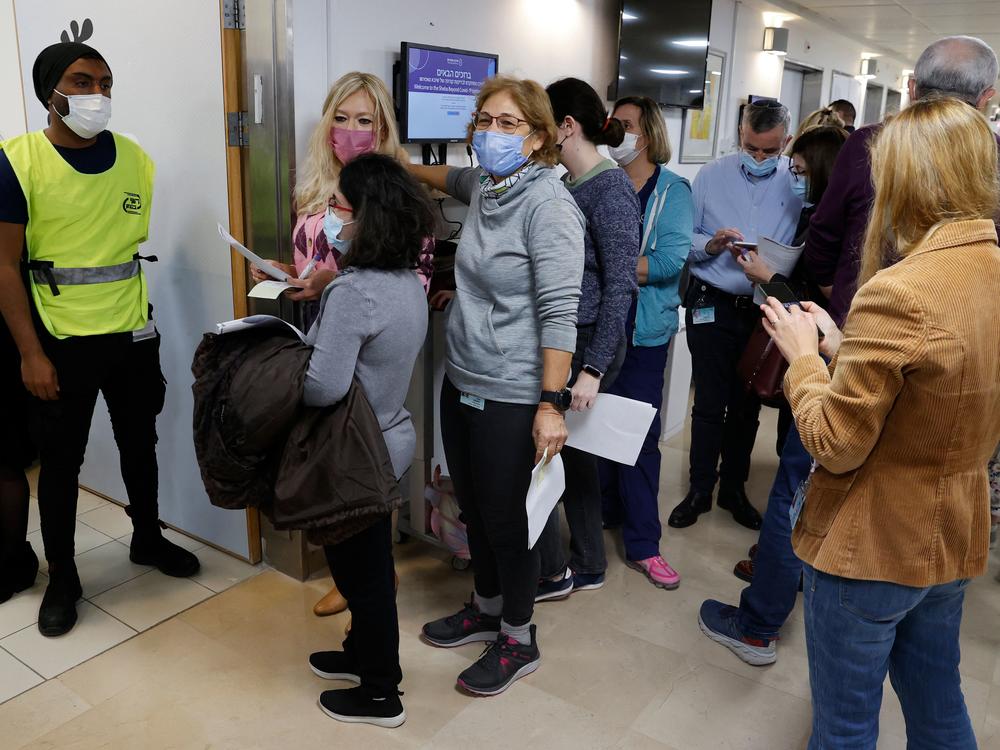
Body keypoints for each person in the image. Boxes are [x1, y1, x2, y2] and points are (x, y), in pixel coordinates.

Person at [763, 95, 1000, 750]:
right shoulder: (988, 267)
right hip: (949, 534)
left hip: (874, 544)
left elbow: (835, 444)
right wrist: (848, 348)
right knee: (936, 697)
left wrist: (805, 360)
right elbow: (940, 383)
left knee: (843, 725)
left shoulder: (901, 289)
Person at [0, 42, 199, 637]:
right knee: (61, 465)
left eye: (105, 83)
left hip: (132, 332)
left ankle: (147, 537)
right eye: (82, 82)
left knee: (142, 445)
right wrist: (30, 353)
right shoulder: (19, 161)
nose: (97, 95)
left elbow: (121, 253)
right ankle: (63, 576)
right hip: (59, 341)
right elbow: (5, 266)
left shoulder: (136, 159)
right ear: (50, 92)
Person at [406, 75, 584, 696]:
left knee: (508, 521)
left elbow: (561, 312)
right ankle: (484, 609)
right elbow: (449, 179)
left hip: (514, 391)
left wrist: (550, 404)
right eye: (484, 121)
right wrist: (393, 161)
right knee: (476, 509)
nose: (491, 133)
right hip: (464, 377)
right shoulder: (488, 185)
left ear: (538, 138)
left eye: (509, 123)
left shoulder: (550, 206)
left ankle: (518, 635)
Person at [251, 71, 425, 619]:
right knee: (329, 462)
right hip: (321, 331)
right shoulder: (317, 189)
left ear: (383, 128)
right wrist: (292, 272)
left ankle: (371, 578)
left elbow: (406, 286)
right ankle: (358, 574)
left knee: (364, 458)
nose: (350, 131)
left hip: (367, 346)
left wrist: (336, 283)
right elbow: (315, 259)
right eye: (341, 119)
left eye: (364, 121)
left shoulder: (395, 194)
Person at [697, 125, 848, 666]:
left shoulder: (838, 233)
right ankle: (793, 571)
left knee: (791, 492)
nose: (790, 177)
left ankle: (758, 625)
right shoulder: (709, 179)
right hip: (726, 316)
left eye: (798, 169)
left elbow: (815, 317)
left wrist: (766, 277)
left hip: (822, 373)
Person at [302, 153, 434, 729]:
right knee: (368, 562)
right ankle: (359, 657)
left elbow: (323, 388)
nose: (333, 216)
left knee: (365, 576)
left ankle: (382, 693)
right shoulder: (405, 281)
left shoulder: (355, 292)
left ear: (367, 219)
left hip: (355, 450)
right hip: (389, 435)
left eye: (340, 207)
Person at [668, 100, 801, 531]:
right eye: (752, 148)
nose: (760, 158)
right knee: (708, 402)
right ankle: (700, 488)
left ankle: (733, 489)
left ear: (785, 141)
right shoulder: (711, 175)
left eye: (769, 151)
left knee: (747, 407)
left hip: (764, 308)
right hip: (712, 302)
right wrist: (711, 244)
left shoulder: (795, 182)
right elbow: (683, 237)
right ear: (740, 134)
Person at [807, 36, 999, 329]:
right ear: (986, 98)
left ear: (912, 87)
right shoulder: (995, 153)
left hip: (861, 320)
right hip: (960, 328)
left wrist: (840, 293)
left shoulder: (868, 142)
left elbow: (825, 230)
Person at [533, 77, 640, 601]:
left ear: (566, 127)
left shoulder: (610, 187)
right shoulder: (569, 183)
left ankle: (585, 563)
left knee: (572, 454)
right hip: (572, 337)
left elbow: (621, 282)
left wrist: (593, 370)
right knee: (572, 454)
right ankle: (585, 560)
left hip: (591, 342)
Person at [597, 94, 692, 590]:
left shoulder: (672, 192)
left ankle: (643, 544)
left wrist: (608, 265)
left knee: (637, 437)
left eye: (627, 126)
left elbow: (670, 262)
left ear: (649, 136)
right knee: (594, 431)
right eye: (613, 123)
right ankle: (604, 517)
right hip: (598, 332)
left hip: (642, 331)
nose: (617, 133)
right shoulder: (599, 180)